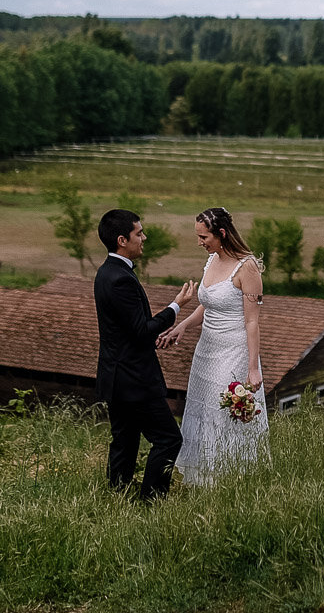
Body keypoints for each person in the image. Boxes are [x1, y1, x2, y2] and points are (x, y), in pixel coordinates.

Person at [160, 206, 269, 485]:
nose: (200, 242)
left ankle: (229, 477)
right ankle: (201, 479)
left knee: (224, 411)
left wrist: (253, 369)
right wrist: (183, 326)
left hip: (234, 351)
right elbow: (208, 305)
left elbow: (252, 323)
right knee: (203, 407)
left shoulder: (248, 268)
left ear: (221, 233)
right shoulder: (212, 260)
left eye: (203, 237)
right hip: (206, 350)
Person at [94, 208, 195, 501]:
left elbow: (128, 331)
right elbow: (141, 330)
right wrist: (177, 306)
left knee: (124, 441)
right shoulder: (120, 279)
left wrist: (150, 336)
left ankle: (117, 495)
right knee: (168, 439)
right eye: (139, 233)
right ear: (122, 239)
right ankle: (151, 499)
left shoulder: (106, 272)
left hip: (117, 376)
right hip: (134, 379)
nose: (144, 237)